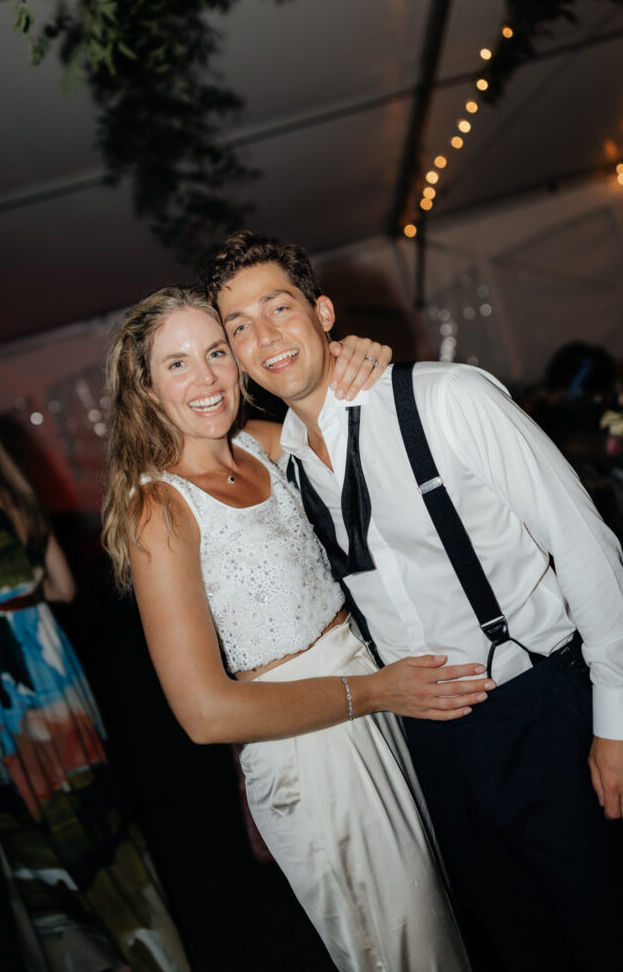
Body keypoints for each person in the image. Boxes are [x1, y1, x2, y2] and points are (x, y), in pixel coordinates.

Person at [202, 230, 623, 972]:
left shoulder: (445, 398)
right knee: (518, 944)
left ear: (323, 312)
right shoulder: (282, 463)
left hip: (539, 709)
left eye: (278, 308)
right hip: (430, 747)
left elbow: (586, 545)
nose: (263, 336)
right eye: (238, 327)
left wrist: (616, 721)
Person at [101, 285, 487, 972]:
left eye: (216, 351)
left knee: (443, 925)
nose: (209, 377)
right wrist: (372, 693)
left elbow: (346, 425)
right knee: (402, 950)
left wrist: (348, 357)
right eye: (178, 364)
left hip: (374, 703)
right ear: (144, 388)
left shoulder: (253, 442)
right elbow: (202, 713)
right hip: (311, 749)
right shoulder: (160, 507)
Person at [0, 404, 190, 972]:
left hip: (8, 683)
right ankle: (145, 943)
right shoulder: (17, 497)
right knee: (87, 801)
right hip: (54, 668)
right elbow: (64, 587)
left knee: (32, 812)